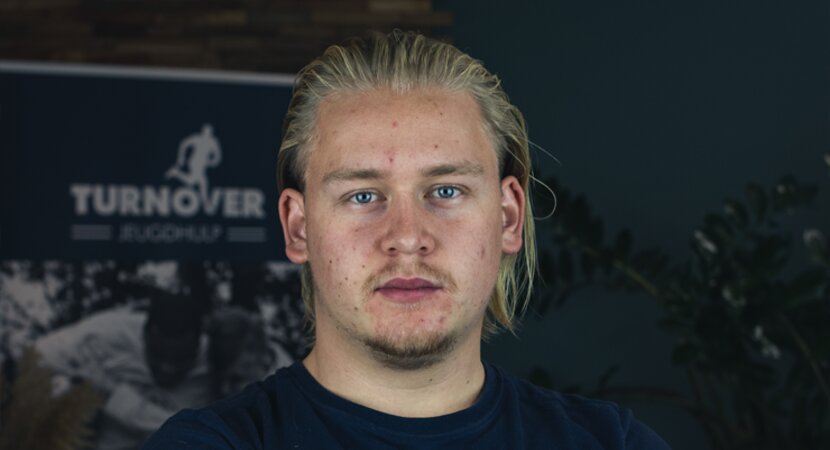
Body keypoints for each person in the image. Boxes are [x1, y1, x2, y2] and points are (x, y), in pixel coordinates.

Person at [143, 30, 671, 449]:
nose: (407, 237)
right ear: (298, 227)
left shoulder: (612, 443)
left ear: (509, 217)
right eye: (363, 196)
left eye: (446, 190)